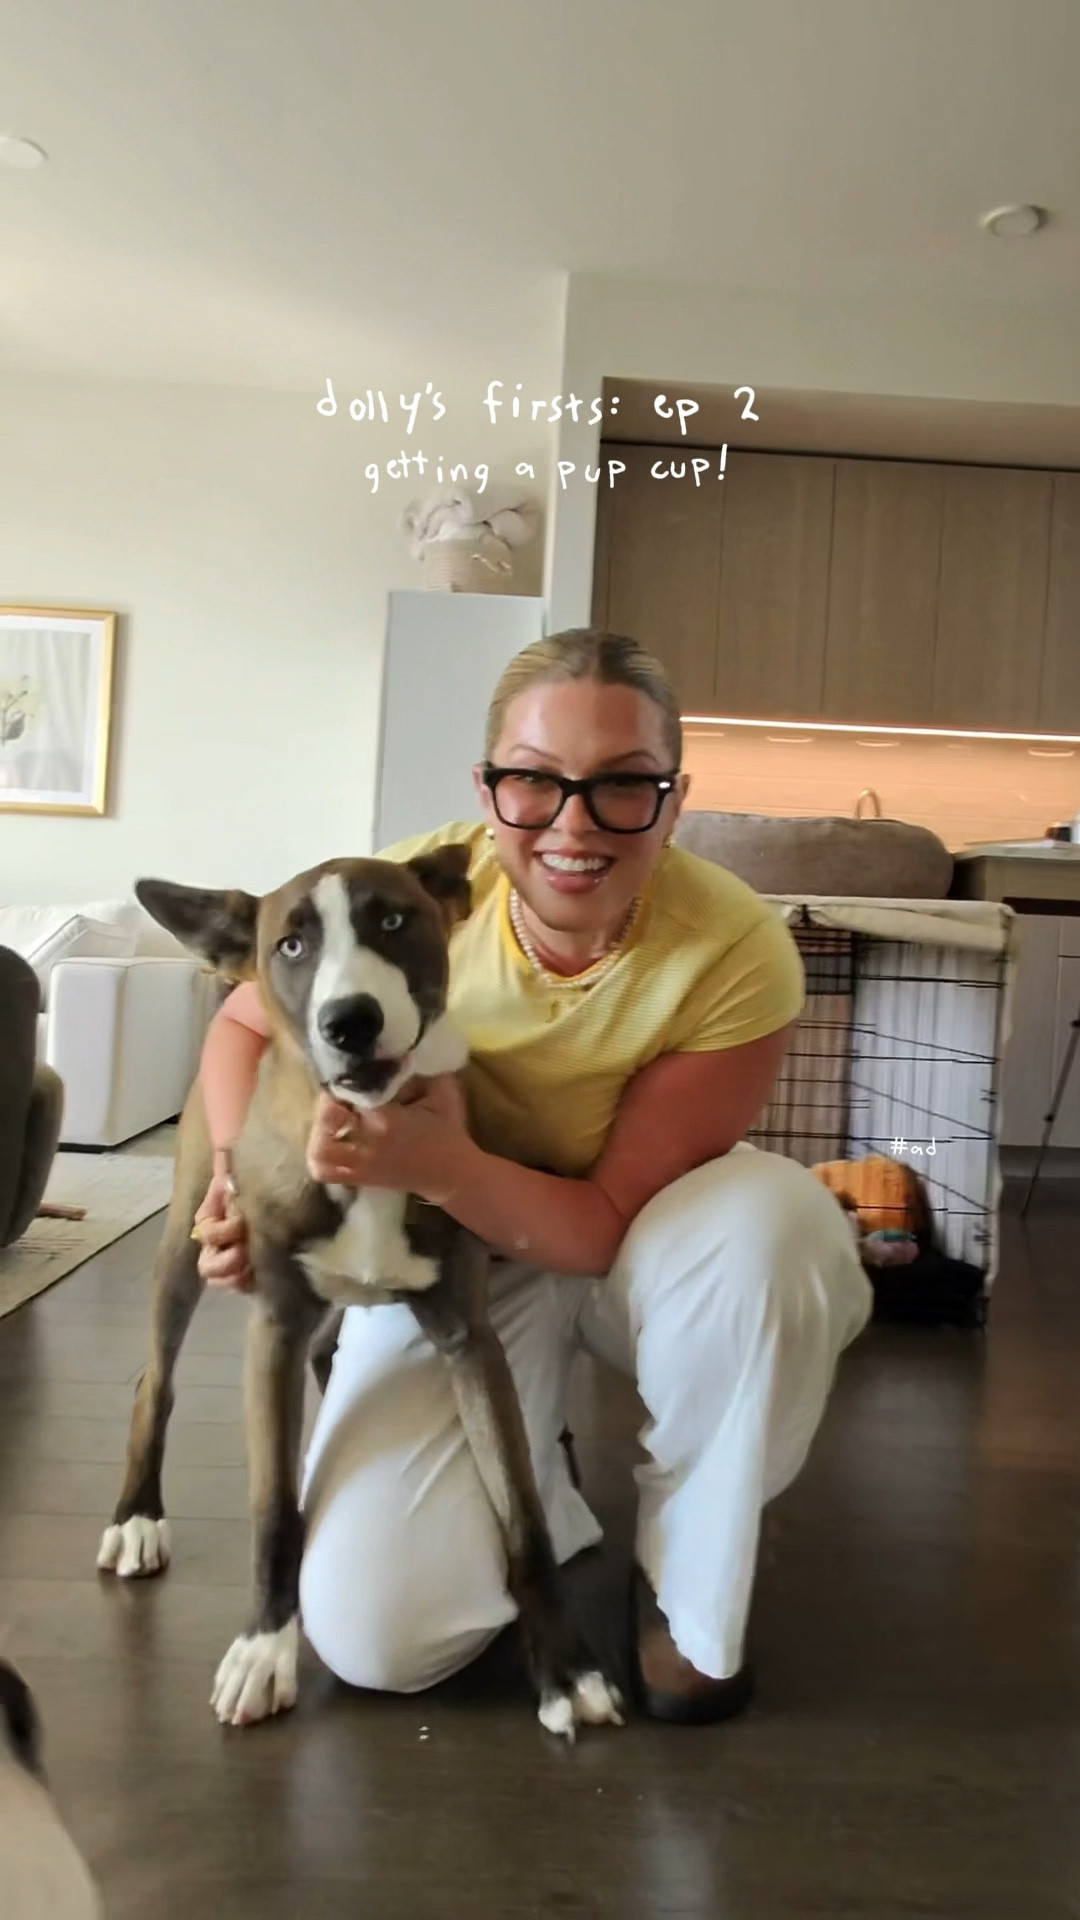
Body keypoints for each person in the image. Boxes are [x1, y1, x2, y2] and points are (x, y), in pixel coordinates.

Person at [193, 628, 872, 1723]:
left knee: (773, 1236)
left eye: (623, 787)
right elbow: (239, 1027)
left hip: (642, 1242)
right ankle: (533, 1475)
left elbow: (604, 1223)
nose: (573, 825)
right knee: (376, 1638)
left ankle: (688, 1588)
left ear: (674, 795)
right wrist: (237, 1181)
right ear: (487, 787)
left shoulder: (734, 946)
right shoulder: (404, 898)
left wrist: (443, 1162)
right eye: (534, 783)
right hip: (456, 1263)